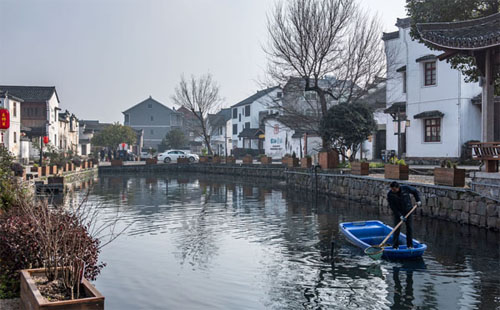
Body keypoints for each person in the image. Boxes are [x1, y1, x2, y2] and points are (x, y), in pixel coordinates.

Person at [387, 181, 422, 249]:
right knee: (396, 229)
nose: (392, 191)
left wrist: (418, 200)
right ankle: (395, 246)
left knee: (409, 229)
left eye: (394, 189)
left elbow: (415, 191)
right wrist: (400, 216)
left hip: (408, 211)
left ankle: (410, 245)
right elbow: (392, 207)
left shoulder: (405, 188)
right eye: (392, 189)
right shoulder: (390, 194)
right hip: (398, 213)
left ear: (398, 188)